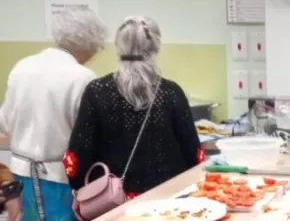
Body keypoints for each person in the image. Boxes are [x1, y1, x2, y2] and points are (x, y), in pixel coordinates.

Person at [64, 16, 202, 213]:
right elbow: (194, 156)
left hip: (114, 207)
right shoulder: (172, 93)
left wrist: (79, 186)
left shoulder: (97, 91)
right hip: (168, 205)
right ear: (155, 47)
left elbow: (78, 156)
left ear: (118, 46)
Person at [0, 6, 106, 221]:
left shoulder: (22, 66)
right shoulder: (82, 77)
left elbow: (5, 122)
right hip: (59, 178)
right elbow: (89, 136)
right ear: (91, 43)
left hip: (21, 175)